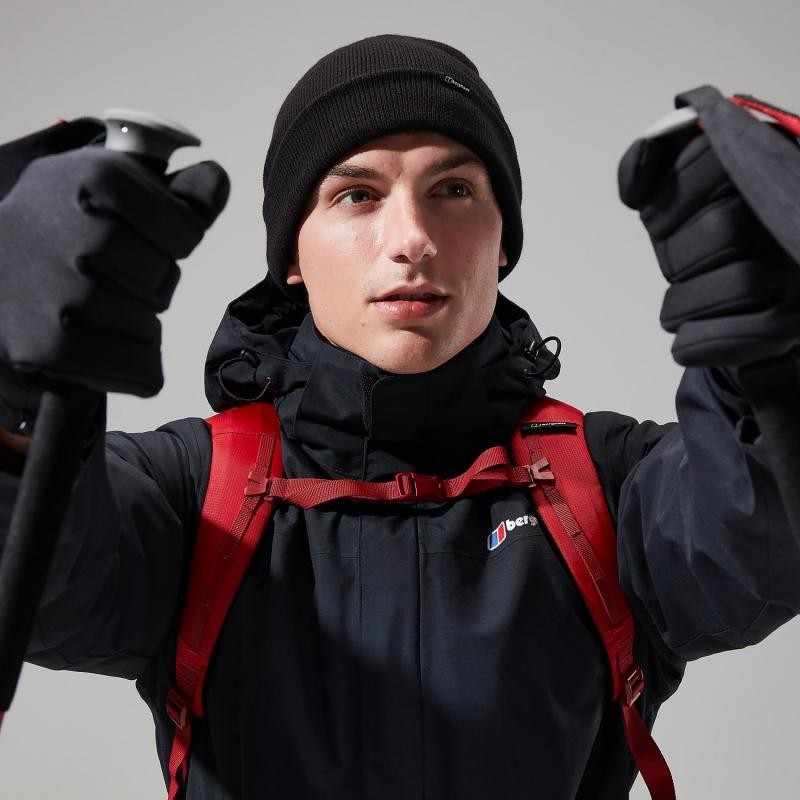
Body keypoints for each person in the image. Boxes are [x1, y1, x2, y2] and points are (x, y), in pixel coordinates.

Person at [1, 34, 799, 799]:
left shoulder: (611, 487)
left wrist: (770, 358)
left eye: (453, 190)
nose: (412, 239)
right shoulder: (191, 493)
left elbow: (759, 537)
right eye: (357, 194)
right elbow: (45, 583)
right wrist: (14, 379)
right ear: (290, 255)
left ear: (503, 241)